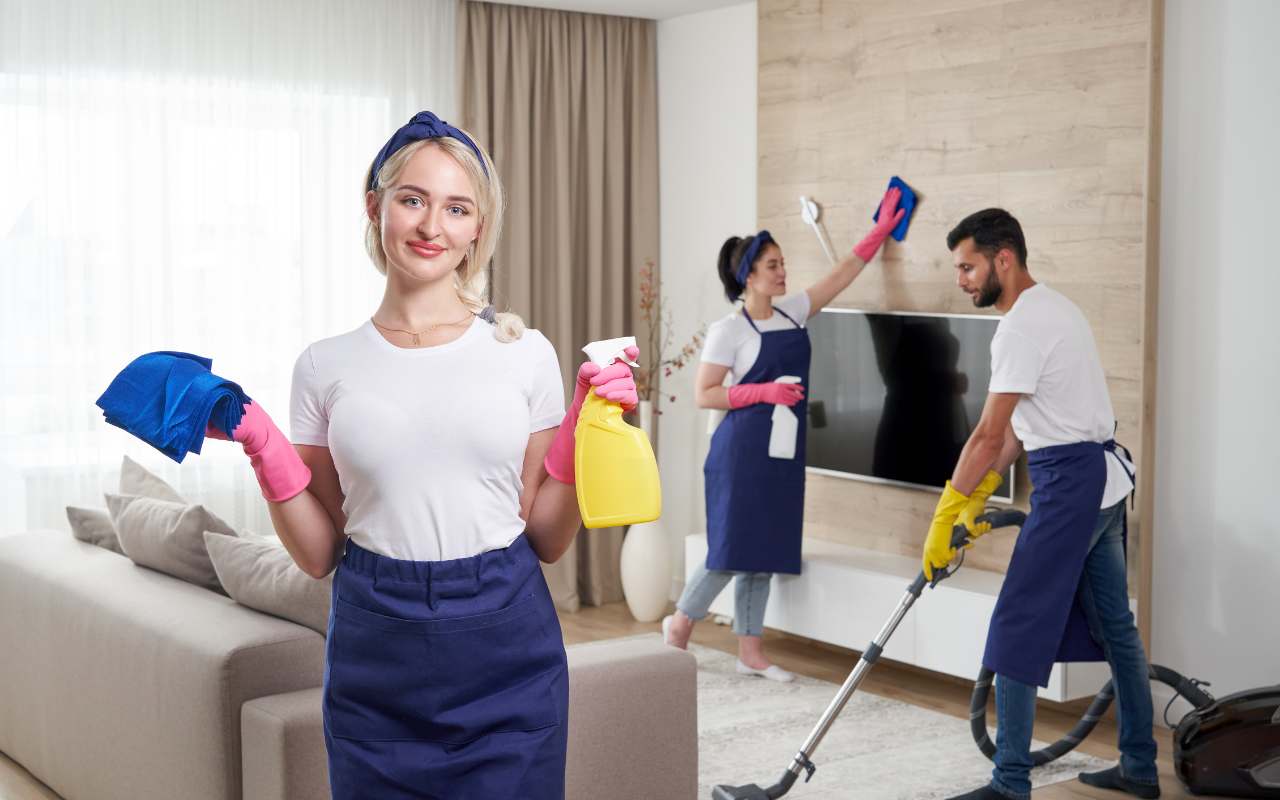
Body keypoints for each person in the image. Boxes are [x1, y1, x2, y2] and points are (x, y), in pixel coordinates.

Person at [205, 111, 639, 798]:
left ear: (476, 229)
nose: (432, 227)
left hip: (508, 651)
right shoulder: (325, 366)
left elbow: (549, 538)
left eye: (457, 208)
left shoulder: (524, 354)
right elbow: (319, 553)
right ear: (375, 207)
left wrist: (588, 429)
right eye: (413, 200)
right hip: (377, 657)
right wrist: (260, 439)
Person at [923, 208, 1156, 800]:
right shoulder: (1057, 307)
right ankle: (1140, 766)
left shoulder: (1021, 328)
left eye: (969, 266)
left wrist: (947, 509)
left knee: (1017, 624)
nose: (963, 279)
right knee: (1116, 630)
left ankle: (1009, 784)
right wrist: (979, 492)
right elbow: (1025, 431)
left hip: (1071, 487)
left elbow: (987, 434)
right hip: (1099, 482)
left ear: (1005, 258)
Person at [661, 188, 905, 681]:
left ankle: (750, 650)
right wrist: (764, 391)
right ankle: (681, 624)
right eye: (772, 264)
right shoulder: (729, 330)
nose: (782, 271)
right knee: (730, 548)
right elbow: (705, 394)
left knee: (766, 548)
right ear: (749, 276)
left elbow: (841, 276)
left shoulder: (793, 310)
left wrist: (878, 232)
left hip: (782, 449)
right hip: (739, 451)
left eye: (782, 262)